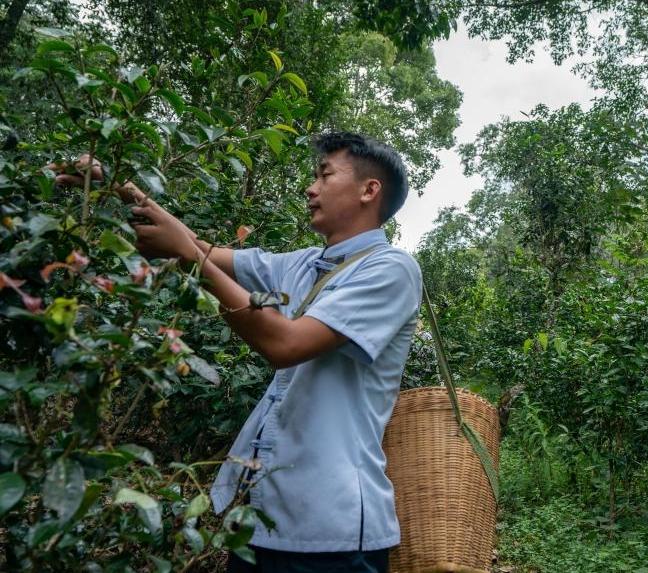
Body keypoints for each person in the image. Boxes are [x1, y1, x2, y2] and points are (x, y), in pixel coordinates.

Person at [54, 132, 422, 572]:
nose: (311, 187)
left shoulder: (391, 270)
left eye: (325, 175)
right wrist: (115, 182)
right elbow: (200, 248)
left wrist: (192, 258)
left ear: (369, 190)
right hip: (261, 519)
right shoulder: (303, 263)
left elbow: (285, 344)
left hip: (333, 531)